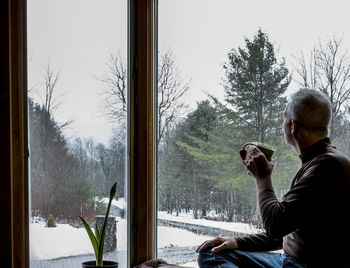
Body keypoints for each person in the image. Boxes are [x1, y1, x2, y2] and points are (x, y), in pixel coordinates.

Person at [196, 88, 350, 268]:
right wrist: (238, 242)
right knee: (214, 252)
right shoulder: (327, 162)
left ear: (292, 126)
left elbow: (275, 226)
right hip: (295, 261)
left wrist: (263, 179)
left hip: (299, 265)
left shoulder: (325, 167)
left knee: (210, 256)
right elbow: (286, 229)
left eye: (284, 117)